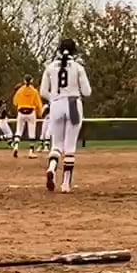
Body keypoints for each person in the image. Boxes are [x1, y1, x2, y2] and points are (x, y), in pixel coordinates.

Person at [38, 38, 91, 194]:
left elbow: (43, 92)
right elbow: (87, 92)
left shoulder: (50, 68)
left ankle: (52, 168)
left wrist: (54, 98)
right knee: (70, 147)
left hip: (56, 105)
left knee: (56, 145)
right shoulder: (78, 67)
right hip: (73, 104)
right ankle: (66, 184)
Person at [11, 76, 43, 158]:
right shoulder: (34, 91)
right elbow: (38, 104)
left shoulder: (20, 90)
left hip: (21, 111)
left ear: (24, 81)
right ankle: (31, 152)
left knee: (18, 130)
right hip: (31, 112)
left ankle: (16, 147)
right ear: (32, 81)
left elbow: (15, 102)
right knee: (32, 131)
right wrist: (40, 112)